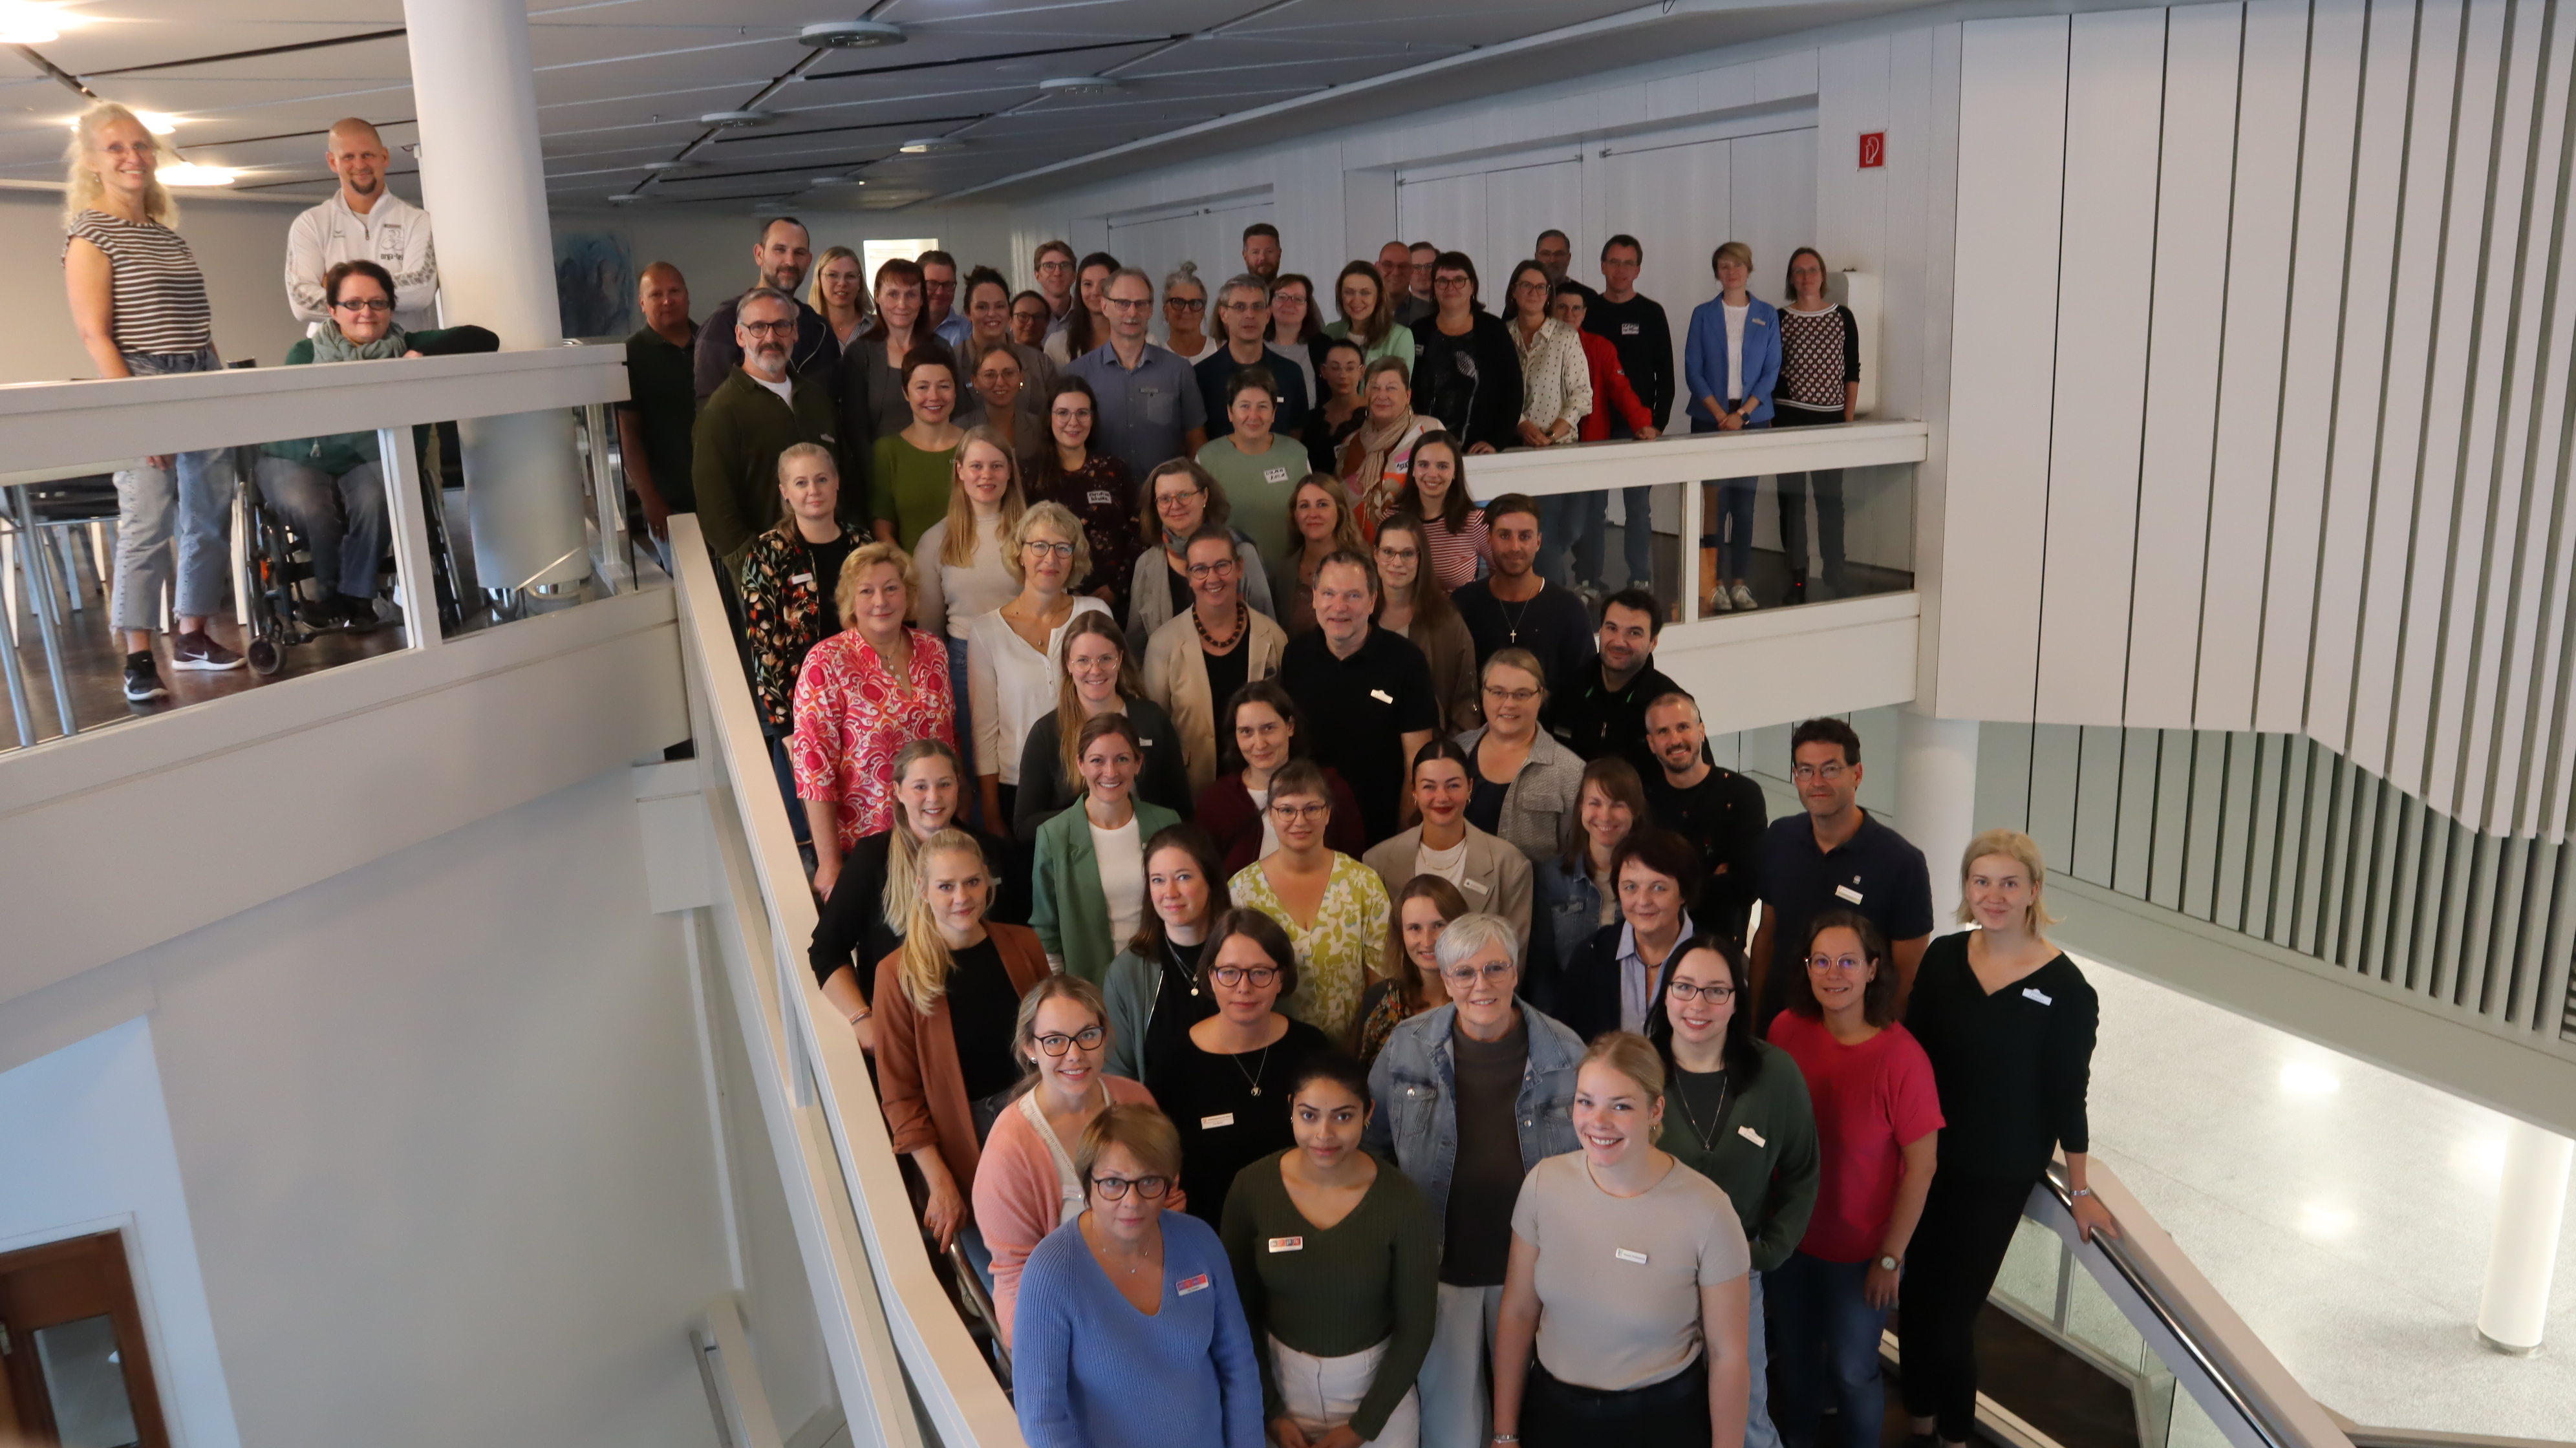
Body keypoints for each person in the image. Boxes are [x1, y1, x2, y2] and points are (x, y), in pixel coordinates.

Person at [1900, 832, 2112, 1448]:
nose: (1993, 896)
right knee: (1914, 1296)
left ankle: (1955, 1437)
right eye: (1981, 882)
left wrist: (2082, 1188)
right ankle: (1916, 1419)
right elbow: (1911, 1055)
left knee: (1953, 1318)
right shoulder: (1943, 957)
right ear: (1967, 889)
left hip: (1996, 1173)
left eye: (2009, 883)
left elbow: (2068, 1094)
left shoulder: (2067, 990)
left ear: (2034, 892)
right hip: (1927, 1158)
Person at [1361, 913, 1581, 1448]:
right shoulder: (1407, 1046)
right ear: (1444, 976)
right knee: (1451, 1429)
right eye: (1463, 973)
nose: (1480, 985)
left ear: (1515, 970)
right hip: (1441, 1270)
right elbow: (1371, 1150)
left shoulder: (1568, 1053)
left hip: (1536, 1274)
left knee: (1529, 1421)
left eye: (1494, 968)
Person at [1490, 1033, 1754, 1446]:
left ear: (1656, 1110)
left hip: (1659, 1425)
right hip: (1554, 1417)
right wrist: (1504, 1434)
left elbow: (1729, 1357)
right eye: (1586, 1101)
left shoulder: (1709, 1211)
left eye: (1621, 1106)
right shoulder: (1544, 1184)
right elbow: (1519, 1313)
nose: (1598, 1122)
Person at [65, 102, 240, 699]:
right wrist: (140, 416)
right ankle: (139, 657)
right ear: (92, 161)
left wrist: (216, 379)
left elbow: (196, 321)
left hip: (200, 373)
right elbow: (96, 334)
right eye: (115, 148)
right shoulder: (89, 234)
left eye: (140, 146)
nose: (132, 157)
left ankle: (193, 632)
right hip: (142, 377)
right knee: (146, 521)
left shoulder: (167, 235)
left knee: (210, 515)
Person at [1766, 911, 1941, 1448]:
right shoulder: (1785, 1030)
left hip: (1861, 1257)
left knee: (1852, 1372)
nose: (1833, 973)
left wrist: (1891, 1257)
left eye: (1847, 961)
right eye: (1821, 960)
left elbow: (1922, 1166)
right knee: (1792, 1364)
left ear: (1872, 970)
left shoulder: (1902, 1059)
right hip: (1789, 1243)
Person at [260, 261, 496, 634]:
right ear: (333, 310)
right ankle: (326, 594)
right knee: (313, 507)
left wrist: (423, 357)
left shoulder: (406, 345)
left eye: (377, 303)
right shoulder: (304, 354)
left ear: (390, 308)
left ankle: (356, 594)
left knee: (379, 494)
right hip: (299, 456)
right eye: (353, 304)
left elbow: (485, 339)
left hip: (369, 456)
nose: (366, 312)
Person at [1653, 936, 1823, 1448]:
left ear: (1737, 1001)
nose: (1697, 1004)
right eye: (1684, 987)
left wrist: (1768, 1251)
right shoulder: (1634, 1069)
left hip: (1735, 1271)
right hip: (1650, 1273)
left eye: (1715, 991)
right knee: (1661, 1409)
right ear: (1665, 995)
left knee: (1745, 1417)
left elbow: (1802, 1171)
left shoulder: (1775, 1075)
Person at [1014, 1104, 1265, 1448]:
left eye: (1149, 1181)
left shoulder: (1200, 1242)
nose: (1132, 1202)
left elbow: (1239, 1368)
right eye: (1113, 1183)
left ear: (1171, 1182)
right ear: (1087, 1183)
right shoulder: (1051, 1272)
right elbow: (1042, 1419)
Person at [1221, 1052, 1438, 1448]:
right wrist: (1270, 1411)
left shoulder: (1401, 1199)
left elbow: (1417, 1325)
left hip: (1377, 1397)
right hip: (1279, 1391)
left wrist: (1362, 1428)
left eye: (1342, 1116)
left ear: (1368, 1112)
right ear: (1290, 1109)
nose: (1324, 1134)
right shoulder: (1252, 1188)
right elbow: (1237, 1313)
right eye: (1309, 1116)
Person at [874, 829, 1051, 1265]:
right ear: (922, 889)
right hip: (965, 1145)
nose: (962, 897)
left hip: (1039, 1122)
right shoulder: (895, 975)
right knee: (1010, 1292)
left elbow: (1056, 1043)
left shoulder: (1024, 945)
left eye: (973, 882)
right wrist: (940, 1181)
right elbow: (900, 1097)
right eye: (946, 886)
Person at [974, 975, 1170, 1345]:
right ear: (1030, 1048)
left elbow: (1170, 1205)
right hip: (1065, 1326)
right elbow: (1017, 1278)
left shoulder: (1136, 1101)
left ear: (1104, 1035)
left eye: (1087, 1035)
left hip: (1150, 1303)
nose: (1075, 1054)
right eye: (1055, 1041)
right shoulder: (1010, 1147)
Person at [809, 739, 1020, 1047]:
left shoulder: (992, 853)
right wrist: (863, 1023)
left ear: (958, 787)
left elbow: (1020, 935)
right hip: (908, 1037)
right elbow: (826, 951)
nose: (933, 797)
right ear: (898, 791)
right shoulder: (872, 859)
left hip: (993, 1030)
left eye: (944, 784)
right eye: (920, 787)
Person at [1151, 908, 1333, 1226]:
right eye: (1229, 972)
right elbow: (1150, 1157)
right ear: (1211, 977)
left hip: (1303, 1227)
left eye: (1260, 972)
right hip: (1207, 1235)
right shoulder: (1175, 1063)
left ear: (1281, 978)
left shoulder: (1311, 1049)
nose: (1244, 987)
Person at [793, 542, 956, 892]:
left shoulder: (933, 650)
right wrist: (830, 864)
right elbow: (814, 771)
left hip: (935, 843)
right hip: (866, 852)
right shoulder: (826, 663)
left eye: (891, 588)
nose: (881, 601)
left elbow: (950, 744)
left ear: (908, 594)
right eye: (867, 591)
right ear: (852, 601)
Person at [1751, 718, 1933, 1028]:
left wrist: (1877, 1041)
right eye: (1805, 770)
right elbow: (1767, 934)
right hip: (1779, 1025)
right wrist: (1753, 1020)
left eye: (1831, 769)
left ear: (1857, 774)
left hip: (1854, 1032)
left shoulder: (1902, 863)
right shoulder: (1779, 837)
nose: (1817, 781)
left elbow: (1907, 974)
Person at [1277, 546, 1439, 845]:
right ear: (1314, 598)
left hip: (1379, 829)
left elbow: (1416, 761)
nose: (1339, 607)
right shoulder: (1295, 657)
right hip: (1308, 827)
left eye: (1352, 596)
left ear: (1372, 601)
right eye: (1328, 594)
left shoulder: (1406, 661)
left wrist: (1403, 834)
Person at [967, 499, 1110, 829]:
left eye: (1063, 548)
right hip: (1015, 788)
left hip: (1089, 781)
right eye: (1040, 546)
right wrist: (989, 809)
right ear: (1020, 553)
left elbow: (1113, 705)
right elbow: (985, 729)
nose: (1051, 558)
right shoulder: (986, 631)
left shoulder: (1095, 614)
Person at [1228, 759, 1392, 1043]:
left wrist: (1362, 1045)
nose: (1300, 821)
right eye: (1287, 810)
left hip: (1355, 1047)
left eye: (1312, 809)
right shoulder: (1241, 890)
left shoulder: (1364, 883)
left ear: (1328, 814)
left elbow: (1381, 978)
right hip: (1271, 1047)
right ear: (1270, 814)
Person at [912, 429, 1028, 807]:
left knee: (1025, 751)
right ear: (960, 471)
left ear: (1010, 472)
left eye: (997, 466)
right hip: (963, 661)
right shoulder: (937, 540)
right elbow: (928, 627)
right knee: (976, 759)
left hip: (1028, 651)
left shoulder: (1033, 532)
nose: (987, 475)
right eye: (976, 465)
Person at [693, 285, 844, 564]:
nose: (771, 337)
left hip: (831, 559)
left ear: (795, 332)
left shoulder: (816, 399)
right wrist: (757, 565)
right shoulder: (722, 412)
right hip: (767, 572)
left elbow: (841, 474)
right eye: (759, 327)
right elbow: (716, 511)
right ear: (740, 335)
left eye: (781, 326)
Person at [1033, 714, 1185, 983]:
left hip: (1162, 977)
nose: (1111, 772)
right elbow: (1047, 931)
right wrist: (1059, 991)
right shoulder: (1054, 835)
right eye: (1097, 761)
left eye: (1122, 759)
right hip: (1091, 986)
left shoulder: (1166, 822)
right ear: (1080, 764)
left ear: (1139, 763)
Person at [1016, 610, 1192, 838]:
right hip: (1078, 859)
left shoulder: (1152, 719)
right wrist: (1091, 816)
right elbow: (1024, 827)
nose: (1095, 670)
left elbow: (1182, 810)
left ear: (1120, 659)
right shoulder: (1047, 733)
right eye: (1083, 661)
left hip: (1151, 854)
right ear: (1068, 665)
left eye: (1106, 658)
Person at [1145, 524, 1290, 795]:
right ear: (1188, 576)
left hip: (1264, 790)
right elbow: (1154, 733)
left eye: (1222, 565)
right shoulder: (1162, 645)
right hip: (1191, 793)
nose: (1212, 578)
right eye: (1200, 569)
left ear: (1239, 568)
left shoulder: (1273, 636)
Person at [742, 442, 856, 761]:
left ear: (837, 482)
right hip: (802, 710)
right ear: (785, 492)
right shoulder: (767, 554)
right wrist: (786, 727)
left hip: (862, 699)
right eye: (801, 483)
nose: (813, 491)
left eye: (821, 479)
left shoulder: (861, 545)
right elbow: (765, 646)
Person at [1685, 241, 1781, 615]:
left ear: (1749, 269)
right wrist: (1720, 414)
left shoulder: (1766, 314)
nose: (1732, 272)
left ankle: (1739, 584)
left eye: (1738, 265)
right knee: (1713, 506)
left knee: (1743, 507)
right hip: (1710, 419)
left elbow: (1771, 371)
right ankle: (1713, 586)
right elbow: (1694, 370)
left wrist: (1742, 415)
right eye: (1724, 266)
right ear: (1717, 272)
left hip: (1752, 420)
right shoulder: (1703, 314)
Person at [1580, 235, 1675, 597]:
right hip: (1594, 428)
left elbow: (1665, 376)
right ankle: (1590, 579)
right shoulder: (1587, 310)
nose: (1620, 270)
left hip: (1639, 431)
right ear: (1602, 266)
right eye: (1614, 262)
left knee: (1638, 510)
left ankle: (1640, 576)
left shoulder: (1651, 313)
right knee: (1593, 511)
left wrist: (1656, 424)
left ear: (1638, 269)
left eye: (1628, 263)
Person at [1635, 690, 1768, 946]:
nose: (1675, 740)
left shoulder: (1742, 794)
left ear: (1701, 732)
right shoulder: (1643, 798)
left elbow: (1747, 886)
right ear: (1651, 743)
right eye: (1663, 732)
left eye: (1683, 727)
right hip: (1654, 946)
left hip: (1719, 948)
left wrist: (1664, 886)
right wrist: (1711, 879)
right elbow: (1635, 882)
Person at [1103, 824, 1232, 1082]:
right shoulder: (1127, 973)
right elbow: (1118, 1076)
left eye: (1184, 877)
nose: (1170, 893)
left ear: (1210, 881)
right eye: (1158, 880)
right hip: (1158, 1120)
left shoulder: (1247, 954)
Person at [1363, 740, 1532, 936]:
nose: (1442, 797)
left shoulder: (1510, 865)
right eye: (1429, 787)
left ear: (1470, 787)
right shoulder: (1377, 863)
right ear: (1414, 791)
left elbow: (1513, 955)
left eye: (1453, 785)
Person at [1547, 827, 1701, 1041]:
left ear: (1684, 893)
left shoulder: (1714, 962)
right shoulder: (1592, 954)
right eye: (1630, 887)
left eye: (1658, 888)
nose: (1643, 901)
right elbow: (1562, 1042)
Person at [1196, 681, 1368, 874]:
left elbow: (1354, 866)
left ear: (1290, 727)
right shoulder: (1216, 802)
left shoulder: (1332, 789)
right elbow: (1206, 877)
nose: (1259, 744)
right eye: (1246, 732)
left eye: (1269, 728)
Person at [285, 117, 438, 332]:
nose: (360, 165)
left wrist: (340, 291)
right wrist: (385, 295)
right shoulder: (310, 224)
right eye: (348, 157)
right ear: (332, 162)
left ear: (384, 157)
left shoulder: (417, 221)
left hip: (402, 354)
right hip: (333, 359)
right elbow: (302, 303)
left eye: (368, 155)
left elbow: (421, 291)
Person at [1773, 248, 1862, 606]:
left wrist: (1848, 418)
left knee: (1830, 501)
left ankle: (1834, 573)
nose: (1806, 277)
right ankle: (1796, 576)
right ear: (1791, 278)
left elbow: (1851, 370)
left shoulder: (1843, 317)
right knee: (1791, 502)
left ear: (1823, 275)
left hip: (1830, 420)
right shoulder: (1780, 318)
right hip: (1789, 418)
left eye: (1812, 270)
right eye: (1799, 271)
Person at [1068, 267, 1210, 476]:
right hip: (1100, 498)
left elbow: (1196, 441)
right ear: (1104, 306)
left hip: (1164, 500)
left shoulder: (1178, 371)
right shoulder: (1077, 374)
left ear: (1151, 310)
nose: (1132, 313)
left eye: (1141, 304)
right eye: (1123, 303)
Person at [1126, 459, 1280, 651]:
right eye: (1165, 499)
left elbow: (1269, 633)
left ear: (1205, 496)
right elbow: (1136, 645)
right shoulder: (1147, 564)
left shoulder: (1242, 552)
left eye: (1184, 495)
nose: (1175, 505)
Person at [1452, 648, 1586, 868]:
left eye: (1521, 694)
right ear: (1483, 693)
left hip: (1535, 898)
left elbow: (1576, 857)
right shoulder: (1457, 750)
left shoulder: (1571, 771)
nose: (1509, 704)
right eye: (1497, 692)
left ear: (1540, 696)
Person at [1450, 495, 1594, 696]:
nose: (1515, 547)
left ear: (1538, 541)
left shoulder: (1569, 610)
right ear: (1489, 539)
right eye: (1505, 535)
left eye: (1525, 536)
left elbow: (1584, 689)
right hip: (1478, 726)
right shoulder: (1463, 604)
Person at [1529, 756, 1647, 995]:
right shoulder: (1551, 876)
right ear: (1581, 807)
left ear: (1635, 811)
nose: (1605, 815)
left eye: (1618, 804)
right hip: (1569, 1017)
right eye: (1595, 803)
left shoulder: (1656, 877)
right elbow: (1541, 969)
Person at [1029, 377, 1140, 621]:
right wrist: (1066, 592)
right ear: (1050, 418)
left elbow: (1138, 531)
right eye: (1063, 413)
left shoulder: (1115, 469)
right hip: (1053, 602)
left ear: (1093, 418)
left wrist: (1118, 587)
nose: (1073, 422)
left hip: (1117, 601)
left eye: (1082, 413)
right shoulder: (1031, 476)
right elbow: (1022, 543)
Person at [693, 216, 836, 401]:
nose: (790, 261)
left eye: (799, 253)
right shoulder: (725, 323)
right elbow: (710, 408)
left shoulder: (820, 329)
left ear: (809, 261)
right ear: (759, 254)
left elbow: (832, 403)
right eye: (780, 250)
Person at [1371, 513, 1480, 737]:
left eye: (1408, 553)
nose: (1397, 563)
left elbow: (1466, 702)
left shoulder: (1447, 621)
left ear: (1421, 558)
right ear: (1376, 555)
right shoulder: (1359, 615)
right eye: (1388, 552)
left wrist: (1450, 754)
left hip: (1432, 750)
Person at [1194, 369, 1307, 576]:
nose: (1253, 416)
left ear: (1274, 413)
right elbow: (1197, 525)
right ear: (1230, 412)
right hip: (1229, 576)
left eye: (1263, 407)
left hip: (1289, 573)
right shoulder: (1208, 458)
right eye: (1245, 406)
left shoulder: (1296, 454)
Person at [1408, 252, 1523, 455]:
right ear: (1434, 287)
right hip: (1427, 449)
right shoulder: (1418, 332)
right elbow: (1408, 390)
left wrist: (1496, 442)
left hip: (1480, 451)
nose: (1450, 287)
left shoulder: (1493, 330)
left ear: (1473, 286)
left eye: (1459, 280)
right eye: (1442, 280)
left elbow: (1513, 391)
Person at [1350, 875, 1466, 1068]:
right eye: (1414, 928)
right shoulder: (1378, 998)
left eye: (1439, 925)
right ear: (1401, 935)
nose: (1428, 941)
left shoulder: (1481, 998)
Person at [1549, 589, 1679, 761]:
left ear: (1653, 642)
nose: (1619, 642)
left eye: (1634, 633)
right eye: (1612, 628)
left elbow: (1695, 780)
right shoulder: (1567, 692)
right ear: (1600, 630)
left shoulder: (1672, 706)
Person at [619, 262, 697, 542]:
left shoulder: (712, 343)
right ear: (642, 303)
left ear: (687, 295)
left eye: (674, 291)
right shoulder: (630, 355)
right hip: (671, 505)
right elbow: (628, 434)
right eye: (656, 294)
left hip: (724, 499)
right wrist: (650, 500)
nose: (667, 300)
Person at [870, 350, 968, 552]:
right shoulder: (887, 451)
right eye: (922, 387)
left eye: (944, 386)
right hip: (910, 576)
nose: (934, 396)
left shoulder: (976, 446)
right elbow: (882, 530)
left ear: (956, 390)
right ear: (906, 392)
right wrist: (911, 575)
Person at [1199, 275, 1312, 444]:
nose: (1250, 315)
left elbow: (1295, 432)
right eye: (1240, 307)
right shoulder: (1202, 375)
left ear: (1268, 315)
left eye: (1257, 307)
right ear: (1224, 314)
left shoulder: (1291, 373)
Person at [1501, 260, 1591, 454]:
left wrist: (1549, 436)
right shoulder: (1501, 336)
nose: (1534, 292)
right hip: (1509, 446)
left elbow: (1581, 395)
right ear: (1513, 292)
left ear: (1549, 295)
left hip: (1559, 448)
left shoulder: (1566, 337)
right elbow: (1496, 392)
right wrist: (1522, 426)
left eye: (1541, 287)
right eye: (1526, 285)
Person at [1385, 431, 1485, 592]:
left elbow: (1500, 574)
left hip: (1458, 614)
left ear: (1455, 472)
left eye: (1442, 466)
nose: (1432, 474)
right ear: (1413, 470)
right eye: (1423, 465)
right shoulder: (1392, 517)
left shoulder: (1475, 521)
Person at [1276, 474, 1371, 635]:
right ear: (1295, 515)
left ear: (1339, 511)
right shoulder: (1283, 574)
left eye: (1322, 505)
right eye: (1304, 506)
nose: (1313, 514)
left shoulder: (1365, 565)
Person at [1341, 357, 1430, 529]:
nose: (1382, 395)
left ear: (1407, 395)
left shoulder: (1429, 433)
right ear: (1366, 393)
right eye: (1375, 388)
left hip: (1415, 547)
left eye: (1391, 388)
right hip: (1360, 549)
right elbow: (1339, 504)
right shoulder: (1352, 443)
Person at [963, 266, 1058, 421]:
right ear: (968, 313)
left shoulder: (1040, 364)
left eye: (1000, 306)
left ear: (1009, 311)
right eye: (982, 307)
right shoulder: (950, 361)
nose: (992, 314)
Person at [855, 257, 932, 442]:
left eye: (911, 295)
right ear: (878, 297)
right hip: (879, 465)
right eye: (893, 294)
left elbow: (959, 414)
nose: (902, 304)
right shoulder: (859, 353)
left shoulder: (940, 349)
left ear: (922, 299)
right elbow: (854, 428)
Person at [961, 337, 1049, 464]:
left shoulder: (1039, 429)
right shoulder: (961, 430)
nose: (1000, 382)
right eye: (990, 375)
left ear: (1021, 378)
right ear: (975, 381)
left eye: (1008, 373)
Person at [1328, 260, 1419, 370]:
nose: (1356, 300)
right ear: (1340, 295)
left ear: (1379, 297)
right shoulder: (1331, 332)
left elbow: (1399, 386)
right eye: (1349, 292)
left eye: (1365, 293)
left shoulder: (1400, 337)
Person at [1043, 249, 1120, 366]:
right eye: (1088, 284)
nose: (1095, 292)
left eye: (1104, 284)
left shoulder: (1144, 341)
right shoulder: (1057, 344)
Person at [1305, 336, 1368, 474]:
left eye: (1350, 368)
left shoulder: (1374, 414)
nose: (1343, 375)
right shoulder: (1312, 419)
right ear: (1323, 371)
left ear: (1362, 372)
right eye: (1335, 368)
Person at [1267, 273, 1327, 403]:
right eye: (1281, 297)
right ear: (1270, 304)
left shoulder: (1323, 346)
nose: (1289, 304)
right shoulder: (1254, 345)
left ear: (1308, 308)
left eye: (1298, 299)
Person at [809, 244, 868, 352]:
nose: (842, 283)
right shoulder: (803, 331)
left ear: (860, 283)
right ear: (819, 281)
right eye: (832, 275)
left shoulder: (879, 329)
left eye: (850, 276)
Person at [1156, 261, 1219, 362]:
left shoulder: (1221, 351)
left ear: (1203, 310)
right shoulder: (1156, 358)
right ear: (1165, 310)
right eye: (1178, 302)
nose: (1186, 310)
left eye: (1194, 303)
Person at [919, 248, 972, 350]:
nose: (940, 292)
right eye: (932, 284)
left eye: (948, 285)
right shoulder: (904, 326)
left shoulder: (967, 331)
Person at [1380, 241, 1432, 328]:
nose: (1395, 273)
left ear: (1411, 271)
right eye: (1388, 265)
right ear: (1377, 268)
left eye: (1403, 266)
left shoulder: (1431, 313)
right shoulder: (1362, 311)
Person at [1033, 239, 1079, 335]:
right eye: (1049, 266)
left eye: (1065, 265)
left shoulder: (1088, 317)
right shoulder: (1026, 320)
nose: (1058, 273)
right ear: (1037, 275)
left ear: (1074, 275)